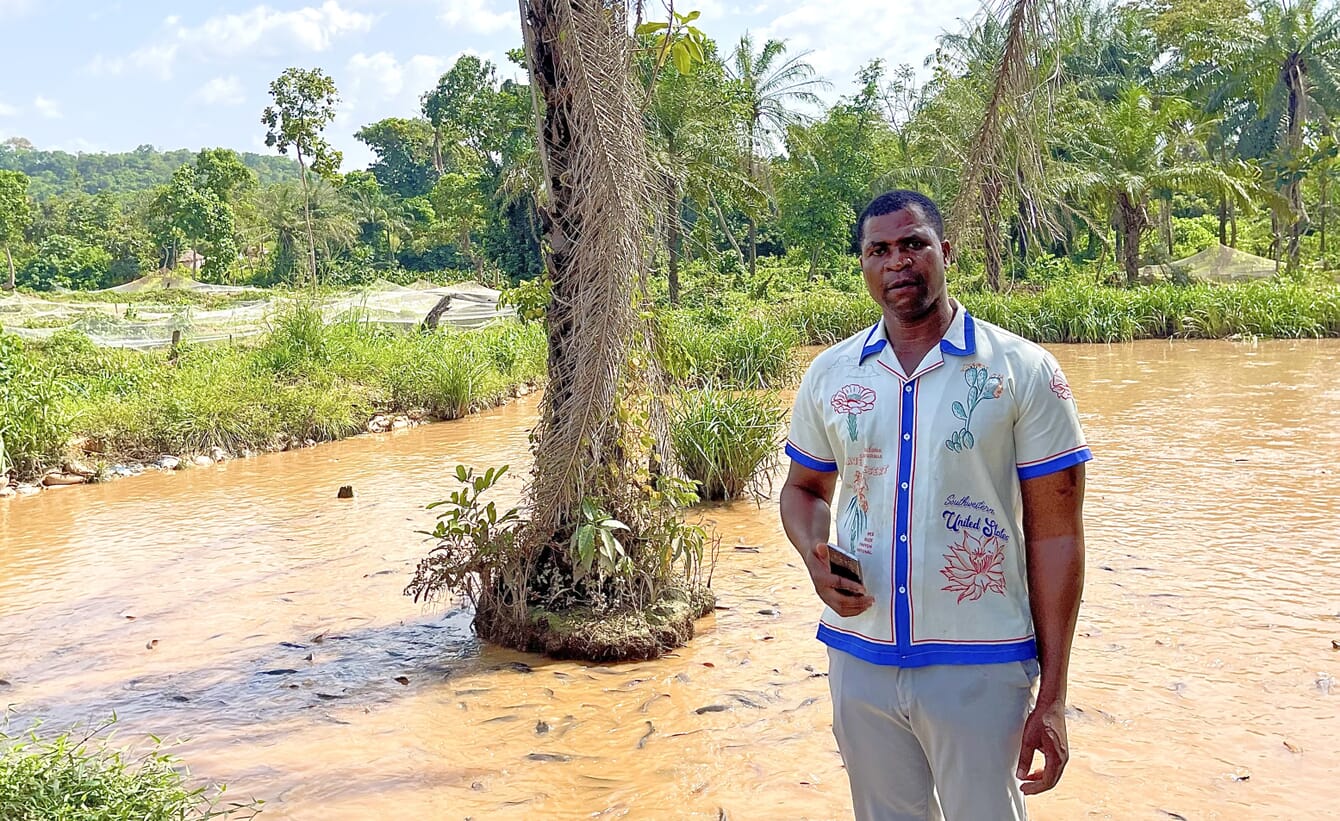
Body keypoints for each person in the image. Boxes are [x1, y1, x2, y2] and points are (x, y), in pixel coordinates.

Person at [780, 190, 1089, 821]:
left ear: (944, 253)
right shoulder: (833, 375)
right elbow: (803, 489)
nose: (898, 262)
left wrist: (1052, 693)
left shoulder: (1021, 372)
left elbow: (1056, 534)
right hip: (859, 655)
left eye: (914, 244)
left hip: (981, 662)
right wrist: (815, 557)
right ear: (863, 265)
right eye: (880, 250)